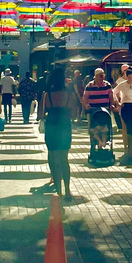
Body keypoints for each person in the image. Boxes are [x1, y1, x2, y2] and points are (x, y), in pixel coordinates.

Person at [42, 67, 73, 200]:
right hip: (65, 124)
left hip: (51, 124)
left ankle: (58, 191)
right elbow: (74, 112)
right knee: (64, 159)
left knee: (54, 159)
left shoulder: (47, 94)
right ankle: (68, 190)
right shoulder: (68, 93)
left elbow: (41, 113)